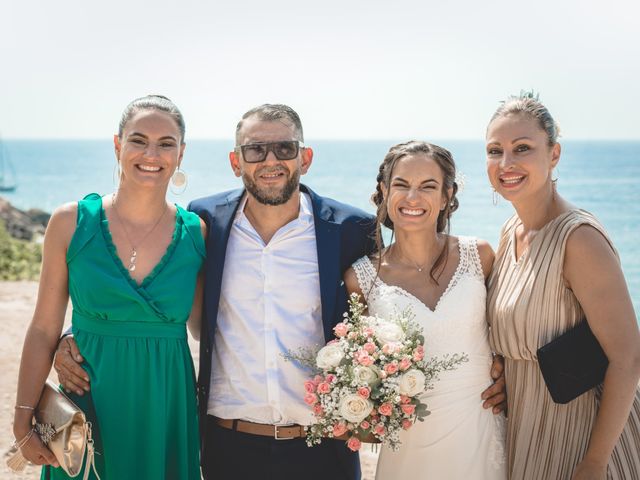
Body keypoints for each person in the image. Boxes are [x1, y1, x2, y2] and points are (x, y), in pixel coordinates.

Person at [55, 104, 507, 480]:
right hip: (228, 445)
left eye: (284, 148)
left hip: (323, 446)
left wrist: (492, 363)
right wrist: (75, 335)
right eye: (255, 149)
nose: (270, 160)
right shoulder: (202, 222)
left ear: (304, 158)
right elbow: (148, 288)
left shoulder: (350, 230)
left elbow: (393, 310)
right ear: (236, 162)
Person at [12, 95, 206, 479]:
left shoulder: (197, 234)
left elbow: (207, 329)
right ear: (118, 145)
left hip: (165, 406)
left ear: (181, 154)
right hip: (88, 404)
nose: (152, 153)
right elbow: (43, 328)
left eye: (166, 143)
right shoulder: (71, 223)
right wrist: (22, 417)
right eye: (138, 140)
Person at [485, 92, 640, 480]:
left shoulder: (579, 239)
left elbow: (628, 358)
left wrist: (594, 463)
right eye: (494, 150)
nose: (506, 164)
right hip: (525, 431)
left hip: (580, 437)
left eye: (522, 148)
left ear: (554, 155)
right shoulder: (511, 232)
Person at [344, 140, 507, 479]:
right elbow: (356, 367)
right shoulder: (360, 278)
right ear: (385, 191)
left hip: (481, 427)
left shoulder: (481, 256)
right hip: (409, 445)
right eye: (401, 185)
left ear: (447, 196)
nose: (413, 198)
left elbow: (511, 329)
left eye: (427, 187)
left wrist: (510, 374)